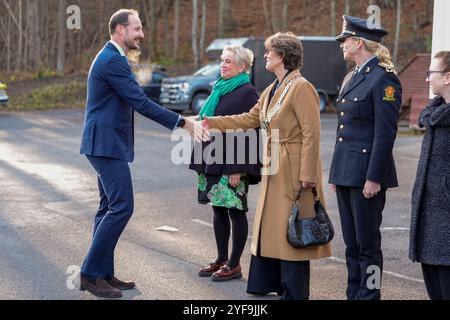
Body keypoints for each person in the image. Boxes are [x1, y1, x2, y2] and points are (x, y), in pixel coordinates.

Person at [79, 9, 206, 298]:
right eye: (137, 28)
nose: (142, 34)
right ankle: (89, 274)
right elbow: (140, 102)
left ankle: (103, 273)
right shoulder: (112, 60)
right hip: (105, 145)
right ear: (120, 30)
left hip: (105, 144)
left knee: (107, 207)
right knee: (122, 206)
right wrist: (183, 121)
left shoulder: (113, 57)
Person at [203, 32, 331, 300]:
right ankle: (268, 283)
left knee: (292, 229)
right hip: (275, 165)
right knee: (273, 229)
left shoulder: (302, 87)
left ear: (282, 55)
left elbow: (312, 134)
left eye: (269, 51)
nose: (265, 55)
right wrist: (211, 122)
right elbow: (248, 119)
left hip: (294, 170)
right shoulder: (272, 88)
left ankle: (293, 292)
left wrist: (307, 175)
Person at [329, 16, 402, 300]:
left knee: (368, 244)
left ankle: (369, 296)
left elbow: (385, 135)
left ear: (358, 42)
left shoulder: (384, 79)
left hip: (366, 175)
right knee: (351, 244)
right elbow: (342, 130)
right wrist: (337, 173)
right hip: (347, 172)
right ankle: (354, 294)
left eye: (345, 40)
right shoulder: (353, 75)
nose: (342, 45)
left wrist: (374, 177)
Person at [189, 45, 261, 282]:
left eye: (228, 61)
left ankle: (234, 264)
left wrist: (238, 168)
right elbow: (207, 121)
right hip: (212, 158)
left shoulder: (248, 92)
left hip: (232, 163)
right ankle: (221, 259)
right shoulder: (219, 87)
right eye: (222, 60)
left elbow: (250, 132)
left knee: (235, 211)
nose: (223, 64)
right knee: (218, 208)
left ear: (242, 66)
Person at [409, 51, 450, 300]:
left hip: (446, 214)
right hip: (431, 210)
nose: (427, 79)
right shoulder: (436, 114)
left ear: (447, 77)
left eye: (430, 74)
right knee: (432, 275)